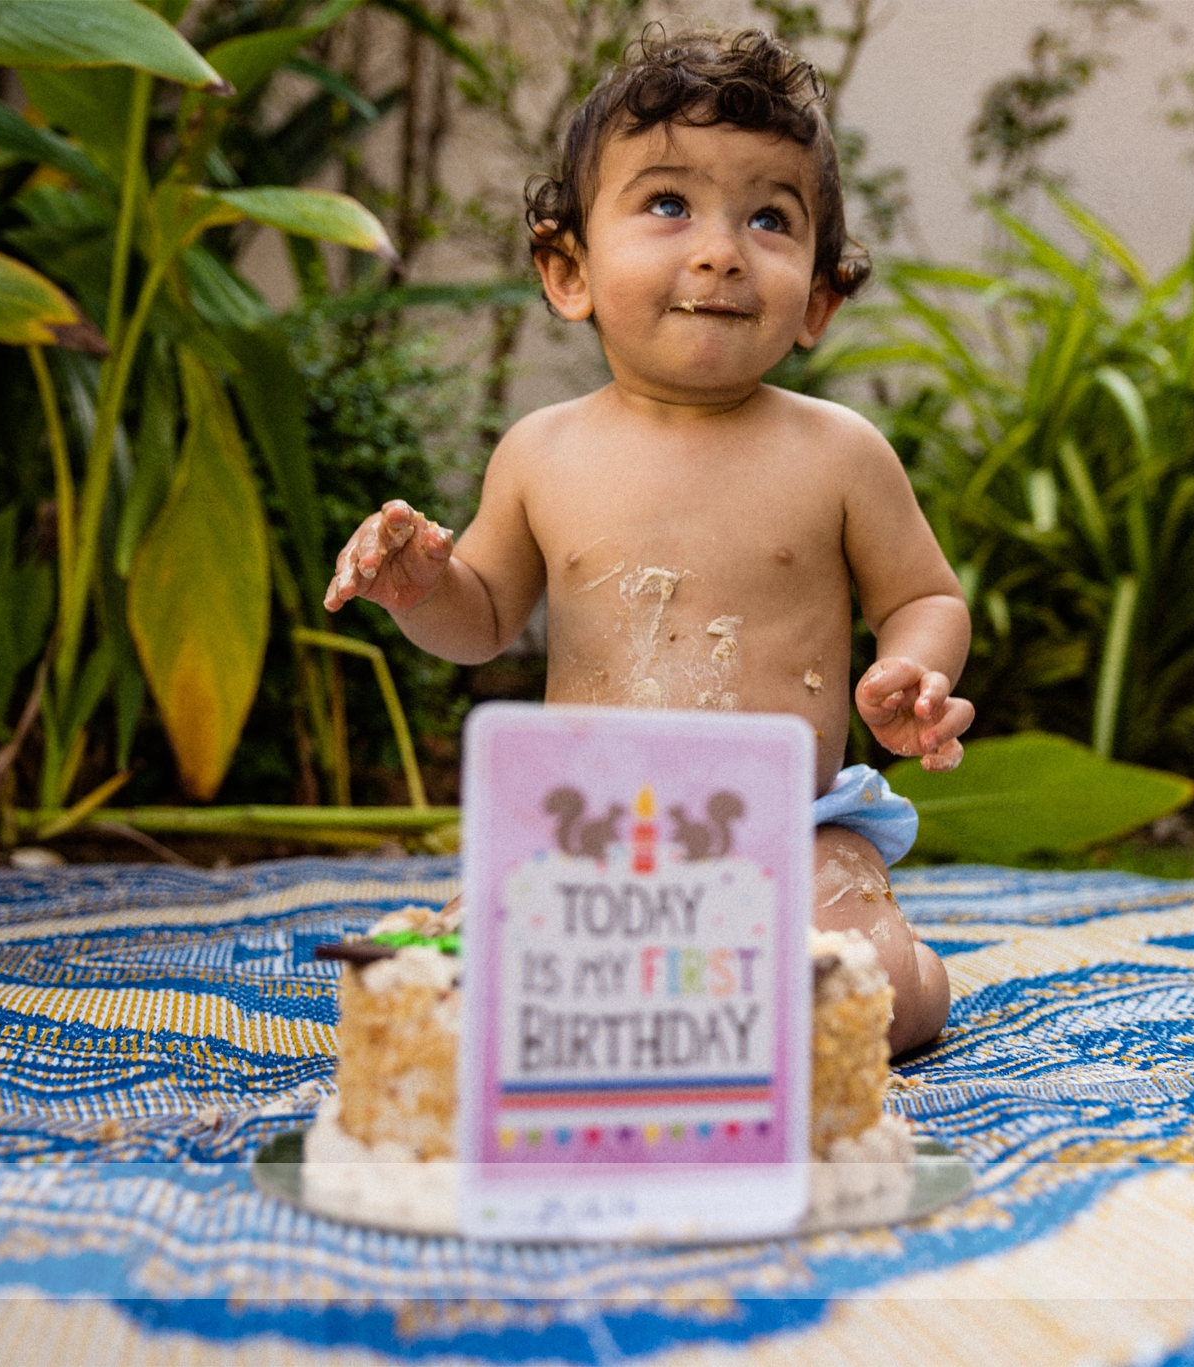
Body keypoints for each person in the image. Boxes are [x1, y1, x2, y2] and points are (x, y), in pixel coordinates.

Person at [324, 27, 966, 1054]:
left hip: (789, 833)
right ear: (566, 268)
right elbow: (483, 618)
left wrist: (910, 673)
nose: (718, 249)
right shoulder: (541, 452)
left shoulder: (839, 453)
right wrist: (422, 588)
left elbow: (924, 597)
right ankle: (650, 999)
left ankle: (900, 967)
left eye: (768, 216)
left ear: (816, 297)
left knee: (870, 990)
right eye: (668, 204)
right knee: (451, 969)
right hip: (586, 836)